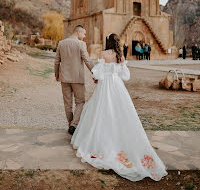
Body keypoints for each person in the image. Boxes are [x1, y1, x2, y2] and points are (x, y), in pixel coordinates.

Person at [71, 33, 167, 182]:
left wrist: (97, 75)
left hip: (105, 87)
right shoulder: (119, 55)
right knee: (121, 113)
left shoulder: (103, 53)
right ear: (117, 43)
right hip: (117, 86)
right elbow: (126, 76)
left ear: (107, 42)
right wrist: (116, 69)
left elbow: (98, 73)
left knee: (100, 112)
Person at [54, 25, 94, 135]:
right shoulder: (81, 44)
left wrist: (57, 74)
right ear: (78, 32)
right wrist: (95, 73)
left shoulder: (61, 43)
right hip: (77, 78)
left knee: (67, 103)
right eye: (84, 34)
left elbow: (57, 61)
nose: (84, 36)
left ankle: (70, 124)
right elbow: (87, 61)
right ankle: (74, 125)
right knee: (80, 102)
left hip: (64, 78)